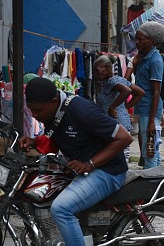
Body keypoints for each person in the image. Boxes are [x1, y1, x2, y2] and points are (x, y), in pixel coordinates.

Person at [19, 77, 133, 245]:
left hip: (108, 172)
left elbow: (125, 138)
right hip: (81, 170)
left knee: (61, 209)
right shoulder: (55, 111)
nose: (35, 116)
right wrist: (35, 141)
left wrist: (90, 163)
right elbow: (54, 133)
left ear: (54, 101)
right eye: (31, 111)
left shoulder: (82, 111)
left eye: (38, 110)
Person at [93, 55, 145, 163]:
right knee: (121, 153)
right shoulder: (119, 79)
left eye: (99, 71)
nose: (96, 74)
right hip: (121, 121)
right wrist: (125, 107)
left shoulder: (111, 81)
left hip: (116, 122)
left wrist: (113, 107)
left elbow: (127, 91)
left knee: (119, 154)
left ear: (107, 69)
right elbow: (140, 93)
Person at [133, 21, 164, 169]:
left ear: (151, 41)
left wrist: (153, 121)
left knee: (149, 152)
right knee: (151, 150)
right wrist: (135, 63)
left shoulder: (155, 60)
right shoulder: (143, 58)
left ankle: (151, 185)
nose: (137, 42)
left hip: (149, 110)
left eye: (141, 39)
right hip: (143, 109)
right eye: (136, 38)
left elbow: (156, 91)